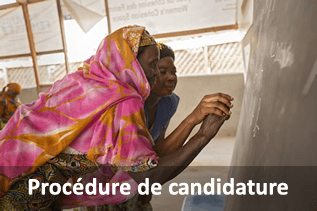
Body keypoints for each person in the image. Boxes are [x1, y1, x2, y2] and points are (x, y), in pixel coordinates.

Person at [0, 25, 232, 210]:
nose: (155, 73)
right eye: (153, 66)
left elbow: (145, 157)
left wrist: (193, 120)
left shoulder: (83, 82)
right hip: (26, 189)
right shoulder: (124, 102)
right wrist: (203, 135)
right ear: (129, 63)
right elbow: (147, 175)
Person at [61, 43, 233, 211]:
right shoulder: (126, 108)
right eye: (161, 71)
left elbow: (156, 151)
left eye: (174, 71)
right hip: (99, 185)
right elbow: (143, 172)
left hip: (131, 184)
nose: (171, 77)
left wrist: (147, 189)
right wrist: (194, 122)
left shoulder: (168, 103)